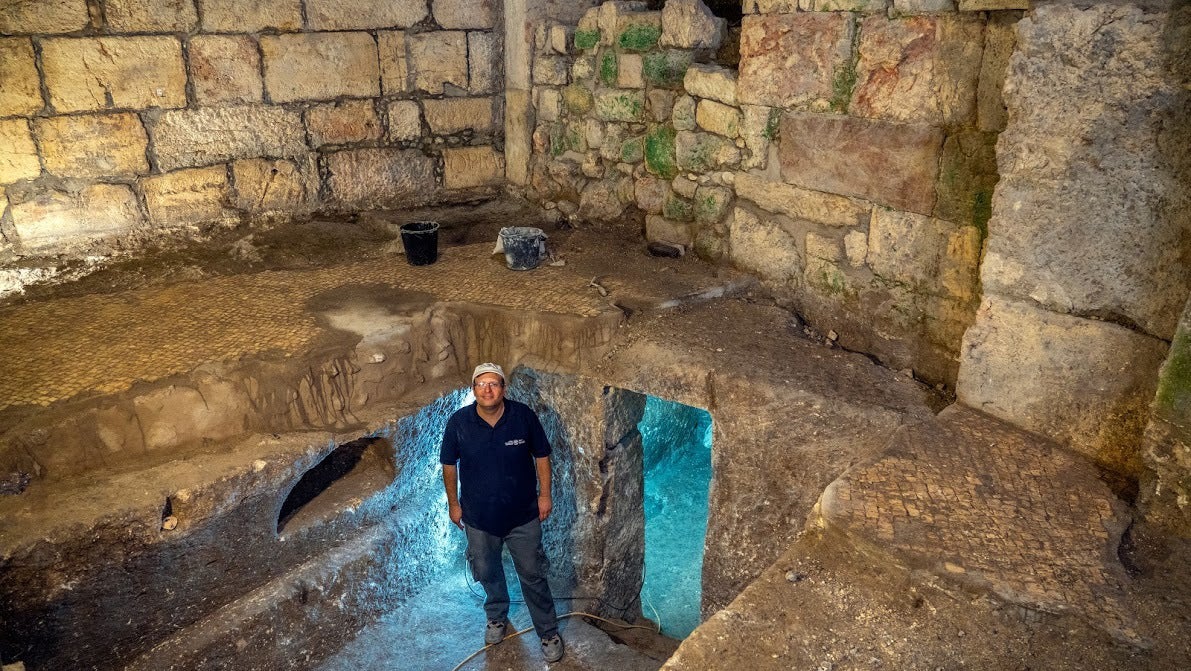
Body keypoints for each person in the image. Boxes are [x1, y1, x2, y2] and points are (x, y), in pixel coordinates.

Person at [440, 363, 565, 663]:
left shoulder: (523, 416)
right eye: (481, 384)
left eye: (493, 384)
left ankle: (548, 632)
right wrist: (453, 504)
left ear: (503, 388)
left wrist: (545, 495)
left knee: (533, 574)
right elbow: (448, 464)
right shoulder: (459, 423)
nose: (487, 390)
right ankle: (496, 616)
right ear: (473, 389)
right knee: (486, 570)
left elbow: (542, 456)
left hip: (523, 516)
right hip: (479, 518)